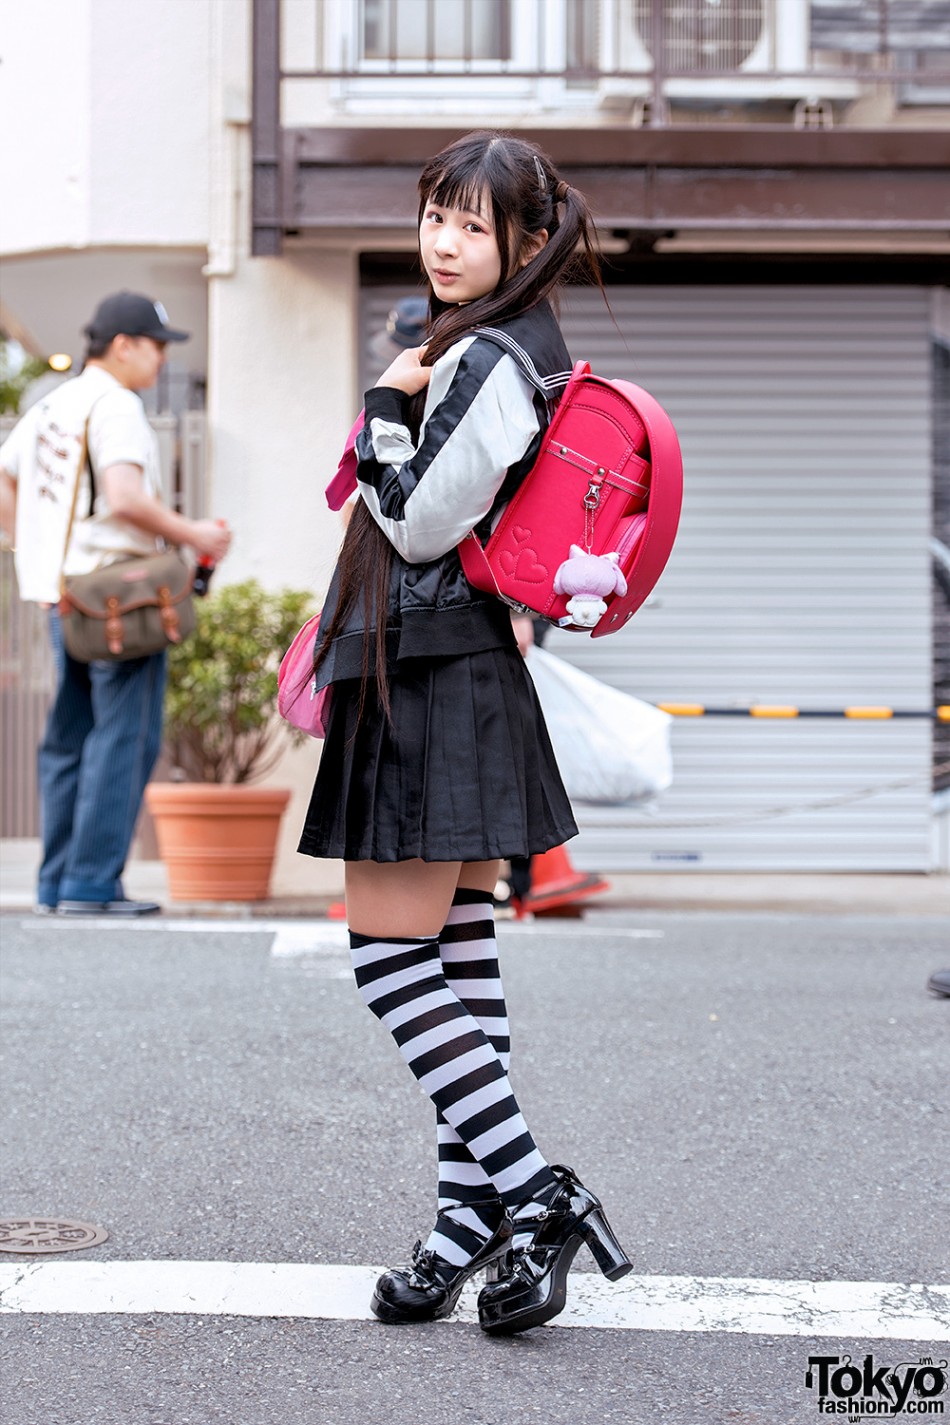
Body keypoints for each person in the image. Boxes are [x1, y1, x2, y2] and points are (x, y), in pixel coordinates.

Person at [298, 131, 632, 1334]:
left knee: (388, 960)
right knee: (456, 958)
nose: (443, 240)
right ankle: (463, 1220)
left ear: (526, 242)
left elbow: (419, 522)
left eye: (471, 224)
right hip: (451, 670)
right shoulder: (494, 343)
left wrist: (382, 408)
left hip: (431, 675)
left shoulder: (489, 355)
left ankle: (537, 1193)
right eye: (434, 213)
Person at [0, 292, 232, 916]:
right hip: (119, 599)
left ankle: (57, 883)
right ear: (124, 345)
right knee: (122, 737)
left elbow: (5, 478)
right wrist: (196, 535)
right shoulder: (116, 404)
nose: (160, 359)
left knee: (70, 737)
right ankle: (92, 884)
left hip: (63, 593)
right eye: (157, 345)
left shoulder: (50, 405)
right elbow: (127, 497)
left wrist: (36, 543)